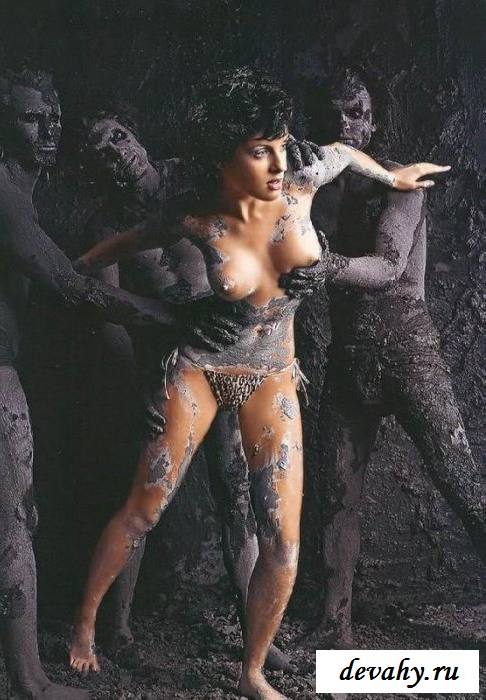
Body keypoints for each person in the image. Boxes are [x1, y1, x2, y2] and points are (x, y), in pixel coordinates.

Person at [68, 66, 447, 700]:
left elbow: (346, 153)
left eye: (279, 144)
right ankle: (84, 626)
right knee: (144, 509)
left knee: (283, 540)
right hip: (201, 369)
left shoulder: (302, 182)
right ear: (222, 160)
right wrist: (75, 274)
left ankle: (252, 672)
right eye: (257, 151)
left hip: (272, 373)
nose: (276, 163)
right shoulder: (197, 220)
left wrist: (395, 178)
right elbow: (115, 249)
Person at [0, 67, 182, 700]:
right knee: (15, 509)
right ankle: (31, 683)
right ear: (2, 125)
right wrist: (174, 315)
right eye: (30, 118)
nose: (48, 130)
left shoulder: (26, 192)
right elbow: (71, 289)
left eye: (53, 118)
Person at [71, 107, 321, 670]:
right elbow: (106, 307)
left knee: (240, 495)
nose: (118, 154)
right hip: (169, 364)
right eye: (101, 151)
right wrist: (144, 370)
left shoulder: (195, 178)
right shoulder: (106, 226)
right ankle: (116, 629)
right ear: (92, 169)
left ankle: (256, 638)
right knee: (145, 501)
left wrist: (304, 276)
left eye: (120, 137)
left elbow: (272, 214)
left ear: (137, 135)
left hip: (240, 353)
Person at [280, 69, 486, 649]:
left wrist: (327, 267)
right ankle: (335, 627)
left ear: (372, 121)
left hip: (408, 351)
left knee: (461, 485)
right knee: (336, 495)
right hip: (350, 358)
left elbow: (390, 266)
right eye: (332, 114)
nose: (343, 125)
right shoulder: (309, 189)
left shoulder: (401, 183)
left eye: (356, 112)